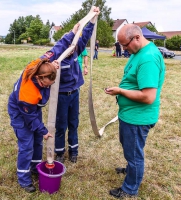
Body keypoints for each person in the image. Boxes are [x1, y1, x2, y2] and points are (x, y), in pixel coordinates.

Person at [7, 22, 82, 193]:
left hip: (32, 110)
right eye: (45, 85)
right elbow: (30, 118)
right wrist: (43, 130)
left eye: (50, 85)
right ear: (40, 78)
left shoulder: (41, 62)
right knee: (27, 143)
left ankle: (34, 168)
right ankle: (24, 179)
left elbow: (59, 47)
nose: (47, 87)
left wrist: (72, 33)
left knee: (37, 142)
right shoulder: (29, 94)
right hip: (21, 112)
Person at [104, 24, 165, 198]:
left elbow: (148, 97)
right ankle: (132, 170)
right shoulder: (139, 52)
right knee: (130, 149)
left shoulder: (148, 58)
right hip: (130, 115)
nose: (124, 49)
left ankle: (130, 188)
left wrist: (121, 91)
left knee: (134, 154)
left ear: (137, 38)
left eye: (125, 45)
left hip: (138, 118)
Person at [40, 6, 100, 164]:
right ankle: (59, 152)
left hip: (74, 93)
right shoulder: (56, 58)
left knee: (74, 123)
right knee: (61, 125)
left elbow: (85, 35)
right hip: (61, 96)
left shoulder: (76, 49)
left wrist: (92, 19)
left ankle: (74, 151)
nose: (72, 49)